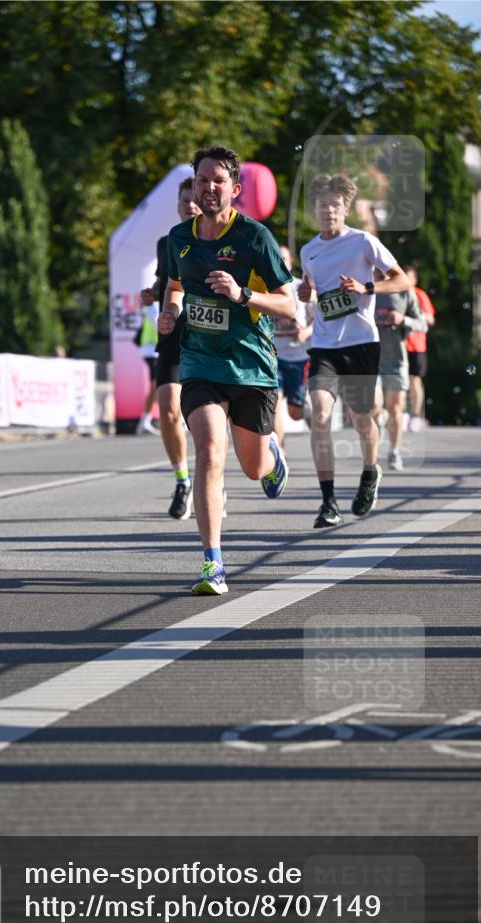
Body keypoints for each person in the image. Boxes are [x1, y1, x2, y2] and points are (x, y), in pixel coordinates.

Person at [159, 145, 293, 595]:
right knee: (210, 451)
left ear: (235, 189)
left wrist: (241, 295)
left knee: (252, 468)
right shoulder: (180, 238)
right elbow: (175, 285)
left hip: (252, 366)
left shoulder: (255, 238)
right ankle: (212, 563)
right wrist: (171, 312)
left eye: (218, 181)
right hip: (200, 362)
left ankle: (272, 457)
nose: (208, 187)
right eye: (201, 180)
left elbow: (289, 304)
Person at [299, 173, 410, 529]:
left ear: (346, 209)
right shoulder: (308, 250)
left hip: (361, 342)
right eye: (322, 204)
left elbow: (402, 279)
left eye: (335, 205)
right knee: (319, 415)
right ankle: (328, 501)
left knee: (363, 419)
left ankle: (369, 470)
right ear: (314, 209)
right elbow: (315, 291)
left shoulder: (363, 242)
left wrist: (366, 286)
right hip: (324, 345)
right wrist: (307, 293)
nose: (328, 210)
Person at [141, 177, 201, 518]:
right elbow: (166, 281)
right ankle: (182, 480)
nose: (190, 206)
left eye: (194, 200)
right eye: (184, 201)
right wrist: (152, 293)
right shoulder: (168, 242)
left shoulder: (214, 239)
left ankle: (212, 474)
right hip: (173, 333)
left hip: (208, 337)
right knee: (167, 409)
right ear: (178, 205)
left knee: (206, 417)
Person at [373, 277, 425, 470]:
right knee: (374, 406)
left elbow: (423, 324)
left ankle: (394, 451)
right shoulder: (365, 288)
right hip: (370, 360)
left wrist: (403, 320)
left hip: (396, 361)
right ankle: (372, 455)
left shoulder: (405, 291)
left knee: (395, 408)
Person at [271, 245, 314, 453]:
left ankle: (306, 410)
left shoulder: (301, 288)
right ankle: (279, 450)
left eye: (284, 258)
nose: (280, 261)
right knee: (274, 405)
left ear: (290, 262)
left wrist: (306, 332)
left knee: (295, 412)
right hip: (274, 358)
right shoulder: (266, 288)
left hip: (299, 358)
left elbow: (320, 317)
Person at [404, 265, 435, 432]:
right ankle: (403, 414)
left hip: (417, 345)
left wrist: (411, 319)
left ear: (414, 279)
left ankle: (416, 415)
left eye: (409, 277)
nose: (407, 280)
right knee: (400, 382)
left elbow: (430, 319)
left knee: (415, 380)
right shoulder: (396, 295)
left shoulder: (419, 295)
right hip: (399, 345)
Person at [134, 307, 159, 435]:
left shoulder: (154, 305)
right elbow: (158, 326)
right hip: (153, 350)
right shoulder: (155, 306)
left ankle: (145, 420)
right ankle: (144, 420)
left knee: (157, 386)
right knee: (157, 385)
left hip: (152, 350)